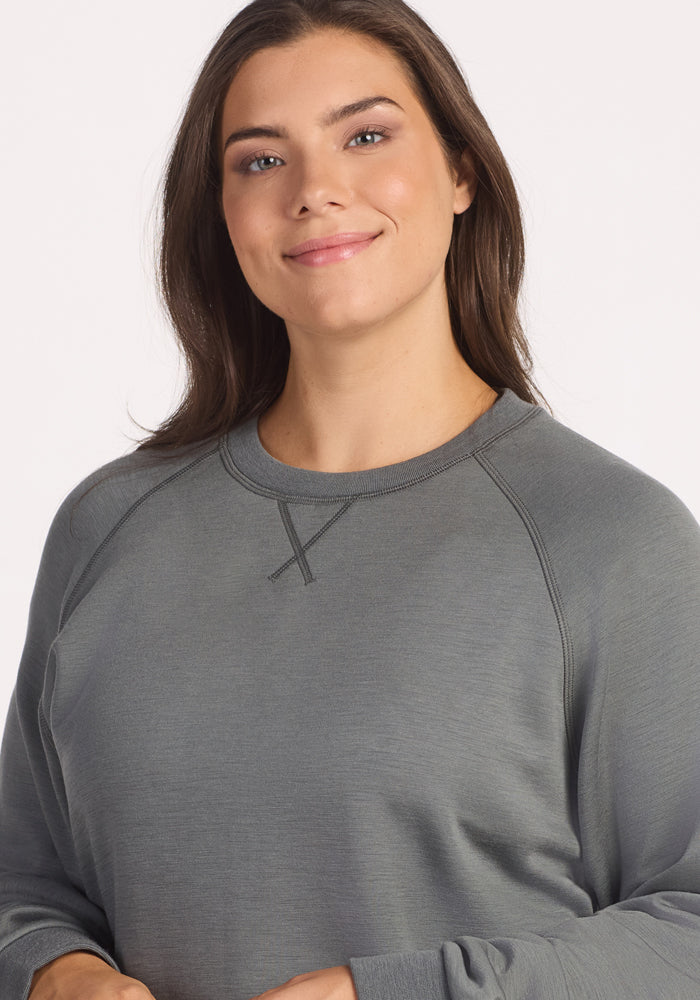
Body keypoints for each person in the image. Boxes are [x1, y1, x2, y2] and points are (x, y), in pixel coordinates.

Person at [1, 0, 698, 998]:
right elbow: (22, 880)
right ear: (219, 211)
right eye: (258, 159)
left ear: (461, 171)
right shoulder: (108, 525)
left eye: (365, 135)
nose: (315, 191)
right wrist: (54, 972)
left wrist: (394, 990)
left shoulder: (611, 541)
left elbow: (689, 927)